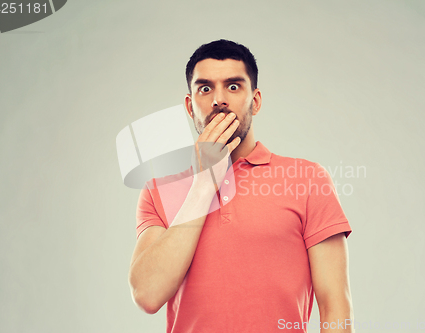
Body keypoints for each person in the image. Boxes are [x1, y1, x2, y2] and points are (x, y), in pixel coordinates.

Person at [128, 39, 354, 333]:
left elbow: (335, 306)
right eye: (205, 88)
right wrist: (203, 183)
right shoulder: (158, 188)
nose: (219, 100)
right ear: (189, 104)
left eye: (233, 86)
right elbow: (147, 294)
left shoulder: (308, 179)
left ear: (255, 101)